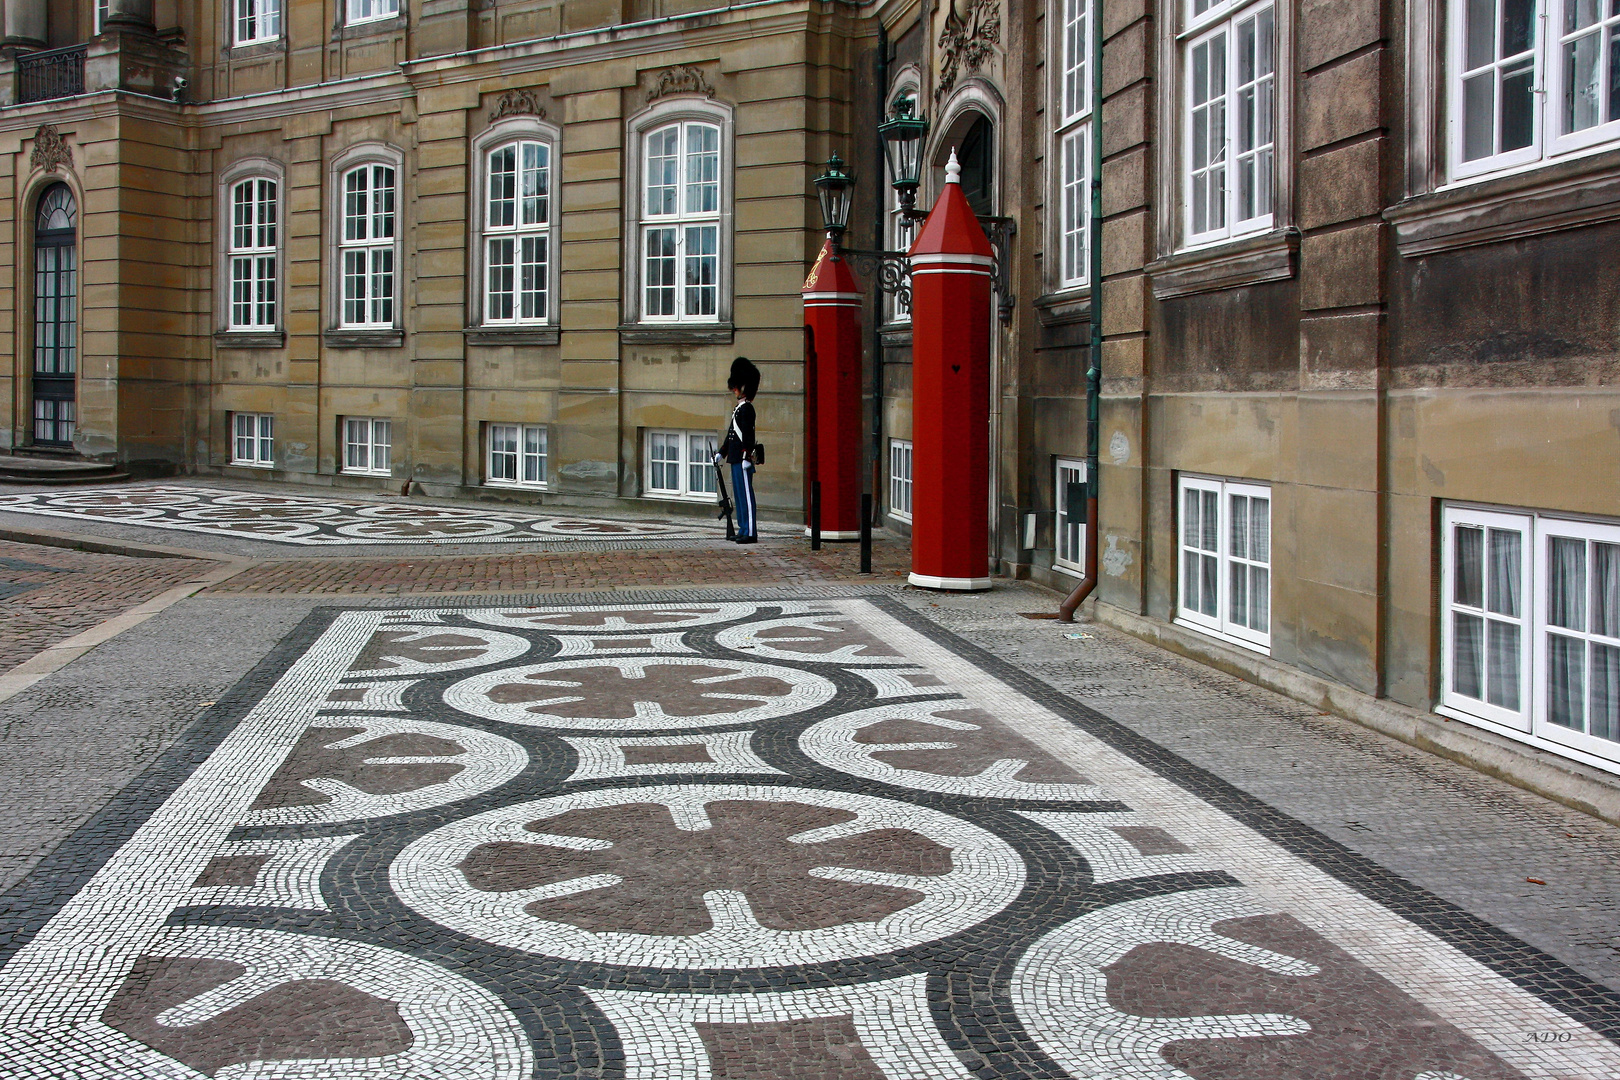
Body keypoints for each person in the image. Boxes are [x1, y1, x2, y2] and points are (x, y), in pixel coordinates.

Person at [717, 356, 760, 544]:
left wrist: (745, 456)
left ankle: (750, 532)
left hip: (742, 458)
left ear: (743, 387)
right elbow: (732, 433)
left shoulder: (747, 409)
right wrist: (722, 451)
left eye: (736, 387)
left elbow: (748, 436)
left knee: (746, 497)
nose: (734, 390)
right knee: (739, 496)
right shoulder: (739, 408)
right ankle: (743, 528)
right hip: (735, 457)